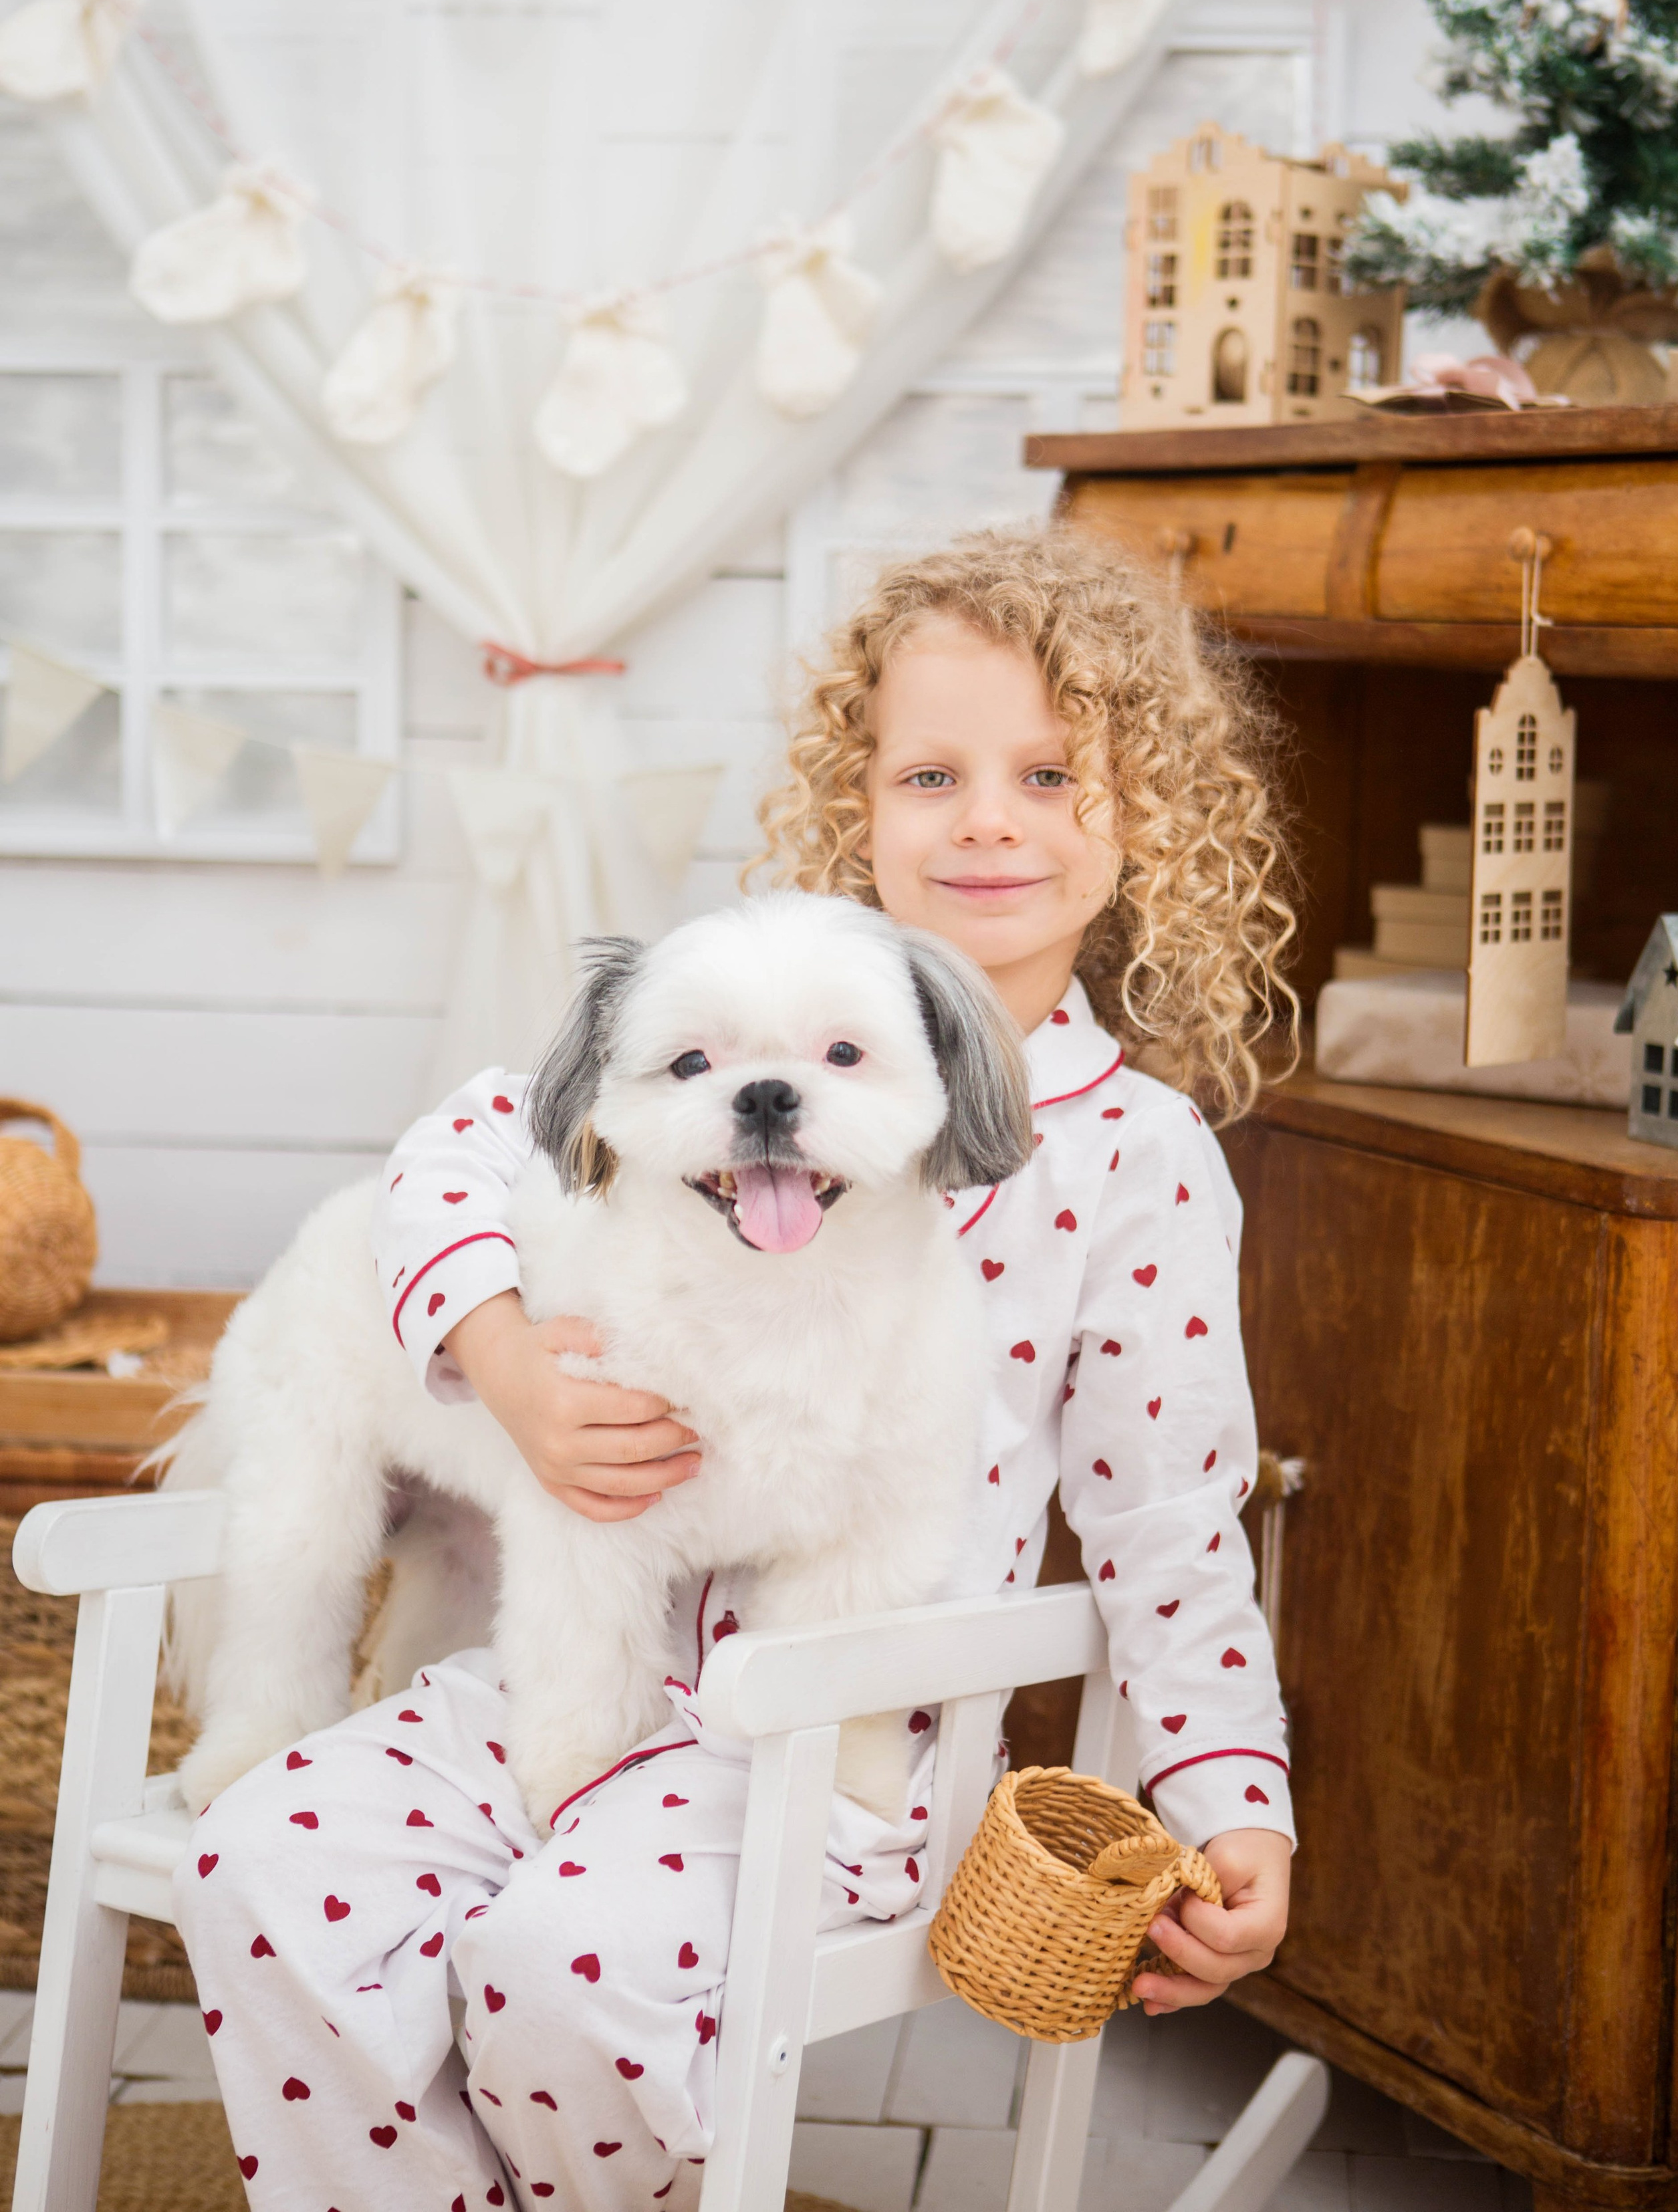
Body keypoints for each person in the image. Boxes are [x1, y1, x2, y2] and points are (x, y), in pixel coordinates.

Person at [176, 525, 1300, 2211]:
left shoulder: (1135, 1160)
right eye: (932, 773)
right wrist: (507, 1363)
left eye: (1053, 774)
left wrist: (1235, 1804)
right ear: (859, 803)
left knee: (563, 1969)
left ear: (1140, 821)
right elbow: (450, 1154)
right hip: (566, 1659)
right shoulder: (725, 1005)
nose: (989, 817)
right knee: (258, 1864)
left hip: (844, 1749)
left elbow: (1169, 1522)